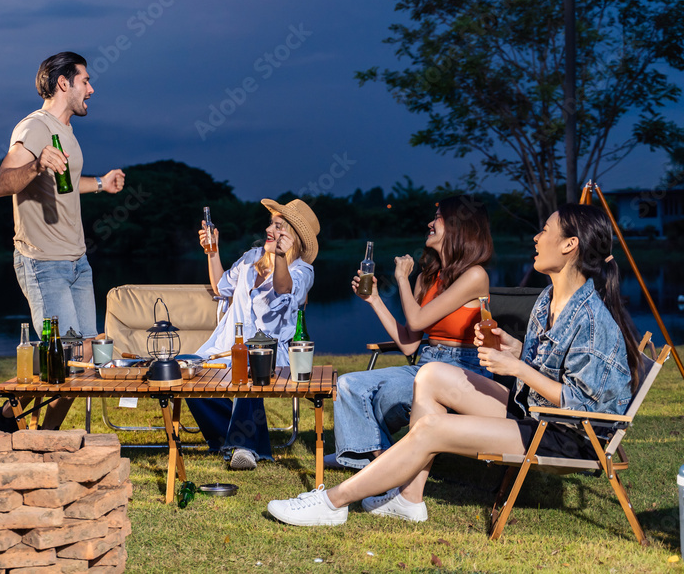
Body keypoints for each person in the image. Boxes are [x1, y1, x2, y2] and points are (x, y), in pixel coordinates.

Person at [267, 204, 641, 526]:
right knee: (429, 375)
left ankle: (333, 502)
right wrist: (513, 349)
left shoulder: (592, 320)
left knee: (432, 427)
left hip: (567, 436)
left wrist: (517, 369)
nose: (536, 238)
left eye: (545, 231)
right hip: (534, 412)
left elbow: (584, 407)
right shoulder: (548, 299)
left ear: (570, 245)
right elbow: (546, 364)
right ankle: (410, 499)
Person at [0, 52, 125, 430]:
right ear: (63, 83)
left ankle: (13, 422)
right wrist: (34, 164)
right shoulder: (34, 127)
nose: (91, 89)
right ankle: (33, 432)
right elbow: (2, 184)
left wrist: (100, 184)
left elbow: (61, 186)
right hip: (43, 262)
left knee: (85, 363)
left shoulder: (66, 131)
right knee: (65, 359)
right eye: (85, 81)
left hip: (77, 263)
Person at [325, 195, 495, 471]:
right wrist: (375, 300)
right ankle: (373, 458)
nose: (430, 222)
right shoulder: (427, 277)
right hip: (427, 362)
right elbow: (408, 344)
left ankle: (372, 460)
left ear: (458, 226)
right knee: (348, 384)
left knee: (387, 396)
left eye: (437, 217)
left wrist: (401, 278)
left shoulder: (475, 276)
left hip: (464, 370)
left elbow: (416, 320)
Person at [186, 198, 319, 470]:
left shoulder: (302, 271)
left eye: (278, 226)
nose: (269, 229)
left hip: (270, 355)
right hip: (225, 347)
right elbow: (221, 286)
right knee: (186, 368)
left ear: (291, 236)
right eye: (271, 223)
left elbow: (285, 289)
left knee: (251, 364)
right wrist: (212, 251)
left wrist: (280, 258)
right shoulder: (251, 258)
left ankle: (243, 446)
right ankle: (234, 441)